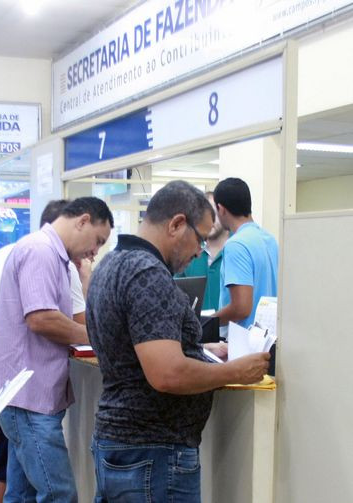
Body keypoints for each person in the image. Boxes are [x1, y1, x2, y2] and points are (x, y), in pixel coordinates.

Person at [86, 180, 271, 502]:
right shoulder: (146, 273)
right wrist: (235, 372)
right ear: (176, 224)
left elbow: (135, 346)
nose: (200, 250)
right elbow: (167, 374)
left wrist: (196, 349)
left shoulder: (110, 265)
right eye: (199, 238)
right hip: (154, 451)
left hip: (126, 443)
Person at [0, 196, 113, 502]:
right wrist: (97, 337)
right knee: (59, 494)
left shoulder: (54, 256)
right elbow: (41, 318)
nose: (94, 252)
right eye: (97, 241)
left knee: (21, 494)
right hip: (28, 398)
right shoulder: (40, 251)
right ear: (83, 220)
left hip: (28, 396)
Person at [212, 177, 279, 329]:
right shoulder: (269, 239)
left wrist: (206, 322)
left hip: (244, 343)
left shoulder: (236, 245)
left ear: (221, 209)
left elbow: (241, 308)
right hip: (267, 339)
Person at [175, 191, 229, 311]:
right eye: (202, 217)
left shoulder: (237, 251)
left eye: (213, 214)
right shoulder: (188, 254)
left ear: (224, 213)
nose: (209, 221)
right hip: (197, 328)